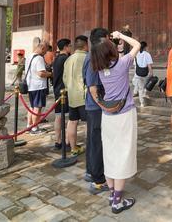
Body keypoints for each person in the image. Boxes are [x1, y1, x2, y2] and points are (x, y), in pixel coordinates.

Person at [90, 30, 140, 214]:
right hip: (124, 114)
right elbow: (137, 45)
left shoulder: (101, 70)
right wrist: (121, 35)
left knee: (110, 155)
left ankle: (112, 194)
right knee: (123, 155)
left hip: (108, 116)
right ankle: (117, 201)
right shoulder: (122, 63)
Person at [83, 28, 111, 195]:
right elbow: (93, 87)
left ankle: (91, 171)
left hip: (93, 106)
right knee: (98, 143)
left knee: (93, 141)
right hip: (96, 106)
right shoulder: (93, 57)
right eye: (107, 39)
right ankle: (98, 180)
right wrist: (103, 105)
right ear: (102, 40)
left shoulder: (91, 56)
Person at [63, 35, 88, 156]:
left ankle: (73, 148)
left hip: (71, 95)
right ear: (86, 45)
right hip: (85, 96)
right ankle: (91, 147)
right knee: (90, 123)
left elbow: (65, 78)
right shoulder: (87, 58)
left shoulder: (69, 59)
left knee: (72, 121)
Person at [25, 41, 51, 134]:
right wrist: (50, 74)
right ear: (42, 48)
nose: (45, 53)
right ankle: (35, 128)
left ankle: (29, 126)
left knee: (32, 107)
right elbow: (41, 73)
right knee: (37, 107)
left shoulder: (29, 56)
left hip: (31, 85)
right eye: (46, 51)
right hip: (38, 86)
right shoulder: (39, 58)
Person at [52, 38, 71, 150]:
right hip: (64, 90)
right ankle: (67, 141)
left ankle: (58, 140)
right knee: (68, 117)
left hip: (57, 89)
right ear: (65, 47)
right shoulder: (66, 59)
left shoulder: (56, 59)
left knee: (58, 116)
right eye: (69, 46)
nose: (70, 48)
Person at [132, 41, 153, 108]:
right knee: (145, 86)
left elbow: (135, 65)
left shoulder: (136, 54)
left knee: (140, 88)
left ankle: (142, 103)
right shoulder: (147, 54)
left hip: (138, 73)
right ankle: (144, 93)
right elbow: (149, 65)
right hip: (145, 73)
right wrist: (151, 72)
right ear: (145, 47)